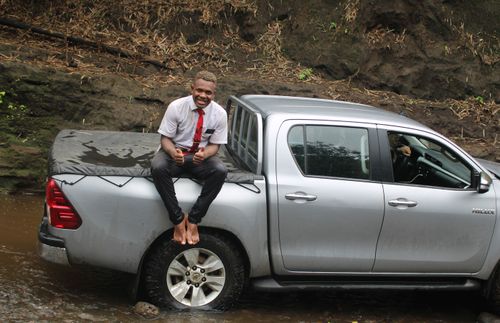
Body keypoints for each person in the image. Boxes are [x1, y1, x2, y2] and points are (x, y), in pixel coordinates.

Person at [151, 71, 228, 245]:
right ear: (192, 88)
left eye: (208, 93)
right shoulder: (176, 107)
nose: (203, 96)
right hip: (175, 152)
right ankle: (178, 220)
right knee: (158, 167)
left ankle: (193, 220)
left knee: (220, 171)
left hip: (199, 157)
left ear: (213, 94)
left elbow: (216, 145)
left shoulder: (220, 114)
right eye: (199, 90)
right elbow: (165, 139)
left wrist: (205, 154)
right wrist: (173, 153)